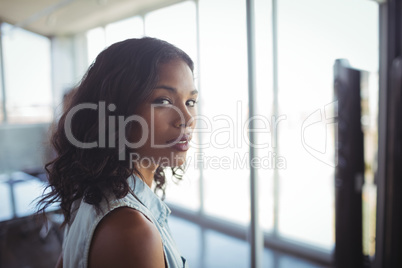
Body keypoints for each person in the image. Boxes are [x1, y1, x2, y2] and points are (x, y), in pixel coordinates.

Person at [37, 37, 198, 268]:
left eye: (191, 101)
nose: (188, 119)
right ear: (118, 111)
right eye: (163, 100)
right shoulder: (132, 231)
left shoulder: (88, 193)